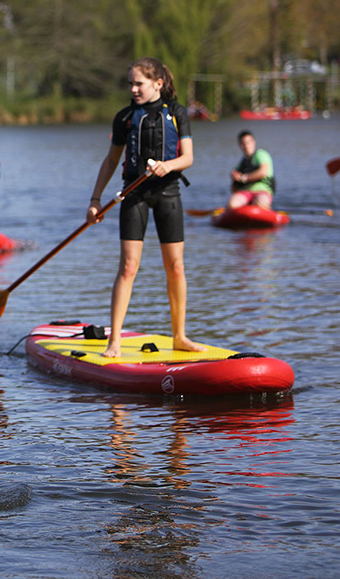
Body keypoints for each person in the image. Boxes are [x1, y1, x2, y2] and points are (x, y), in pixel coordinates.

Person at [86, 57, 206, 358]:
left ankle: (179, 336)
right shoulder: (125, 117)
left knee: (176, 267)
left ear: (158, 83)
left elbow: (188, 157)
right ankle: (114, 342)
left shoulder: (178, 114)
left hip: (168, 194)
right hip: (134, 195)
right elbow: (112, 160)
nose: (134, 89)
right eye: (131, 83)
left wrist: (168, 166)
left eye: (139, 83)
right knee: (128, 267)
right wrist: (95, 199)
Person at [228, 130, 275, 210]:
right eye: (243, 143)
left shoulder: (261, 154)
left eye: (248, 142)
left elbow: (263, 172)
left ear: (253, 142)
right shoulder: (241, 164)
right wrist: (234, 179)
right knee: (232, 204)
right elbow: (234, 189)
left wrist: (244, 178)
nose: (246, 146)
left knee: (260, 204)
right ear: (240, 145)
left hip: (262, 190)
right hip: (245, 192)